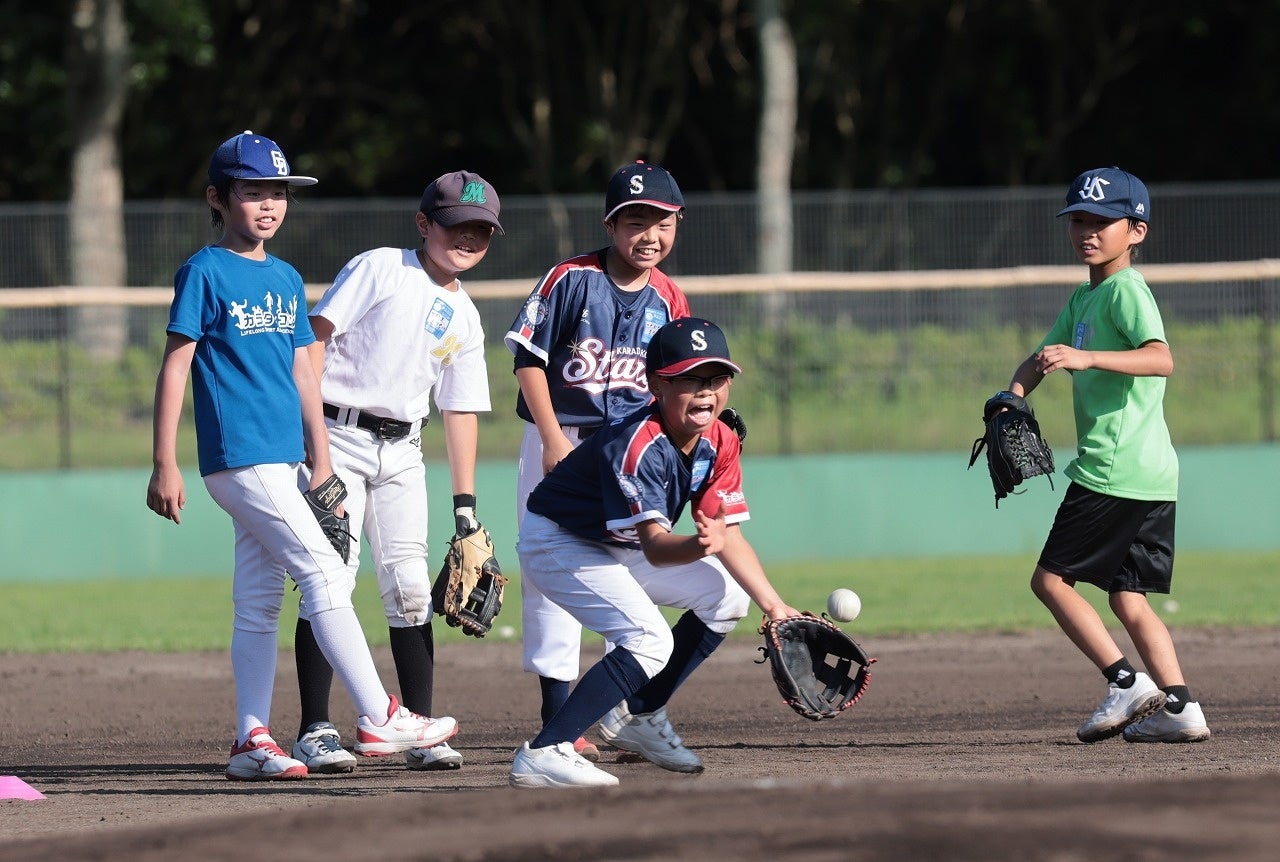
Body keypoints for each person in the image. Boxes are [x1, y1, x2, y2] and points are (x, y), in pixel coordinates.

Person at [146, 131, 459, 781]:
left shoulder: (287, 278)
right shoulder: (204, 271)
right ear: (218, 198)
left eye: (278, 193)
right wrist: (164, 462)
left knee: (259, 600)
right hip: (238, 457)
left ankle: (251, 740)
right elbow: (175, 368)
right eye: (252, 191)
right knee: (324, 571)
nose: (268, 204)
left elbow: (306, 378)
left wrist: (320, 462)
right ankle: (378, 713)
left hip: (286, 458)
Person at [508, 317, 801, 788]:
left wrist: (777, 608)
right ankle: (547, 750)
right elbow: (659, 549)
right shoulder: (638, 444)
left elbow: (728, 535)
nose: (706, 392)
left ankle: (640, 715)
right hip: (557, 542)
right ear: (655, 385)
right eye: (688, 379)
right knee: (649, 639)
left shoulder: (721, 439)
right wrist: (699, 544)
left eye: (716, 379)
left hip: (612, 544)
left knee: (728, 597)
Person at [289, 171, 502, 774]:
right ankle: (316, 729)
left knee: (409, 587)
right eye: (457, 225)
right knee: (331, 578)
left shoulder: (465, 314)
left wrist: (466, 505)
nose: (469, 238)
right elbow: (315, 341)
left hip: (404, 450)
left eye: (482, 230)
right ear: (424, 224)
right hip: (336, 434)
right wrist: (310, 445)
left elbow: (460, 409)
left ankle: (419, 727)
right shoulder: (381, 267)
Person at [998, 166, 1210, 744]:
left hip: (1112, 469)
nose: (1087, 231)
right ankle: (1182, 708)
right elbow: (1043, 357)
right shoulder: (1086, 295)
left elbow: (1160, 358)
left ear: (1136, 231)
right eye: (1079, 220)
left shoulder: (1125, 291)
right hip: (1151, 473)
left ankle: (1125, 683)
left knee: (1051, 582)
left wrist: (1089, 360)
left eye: (1103, 221)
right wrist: (1012, 395)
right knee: (1127, 596)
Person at [503, 161, 692, 764]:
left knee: (625, 572)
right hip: (564, 437)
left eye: (661, 222)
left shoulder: (669, 297)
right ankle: (559, 719)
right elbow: (528, 359)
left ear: (676, 224)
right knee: (552, 579)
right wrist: (554, 438)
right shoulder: (571, 279)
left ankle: (618, 707)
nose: (649, 235)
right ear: (611, 225)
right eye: (635, 220)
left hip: (634, 450)